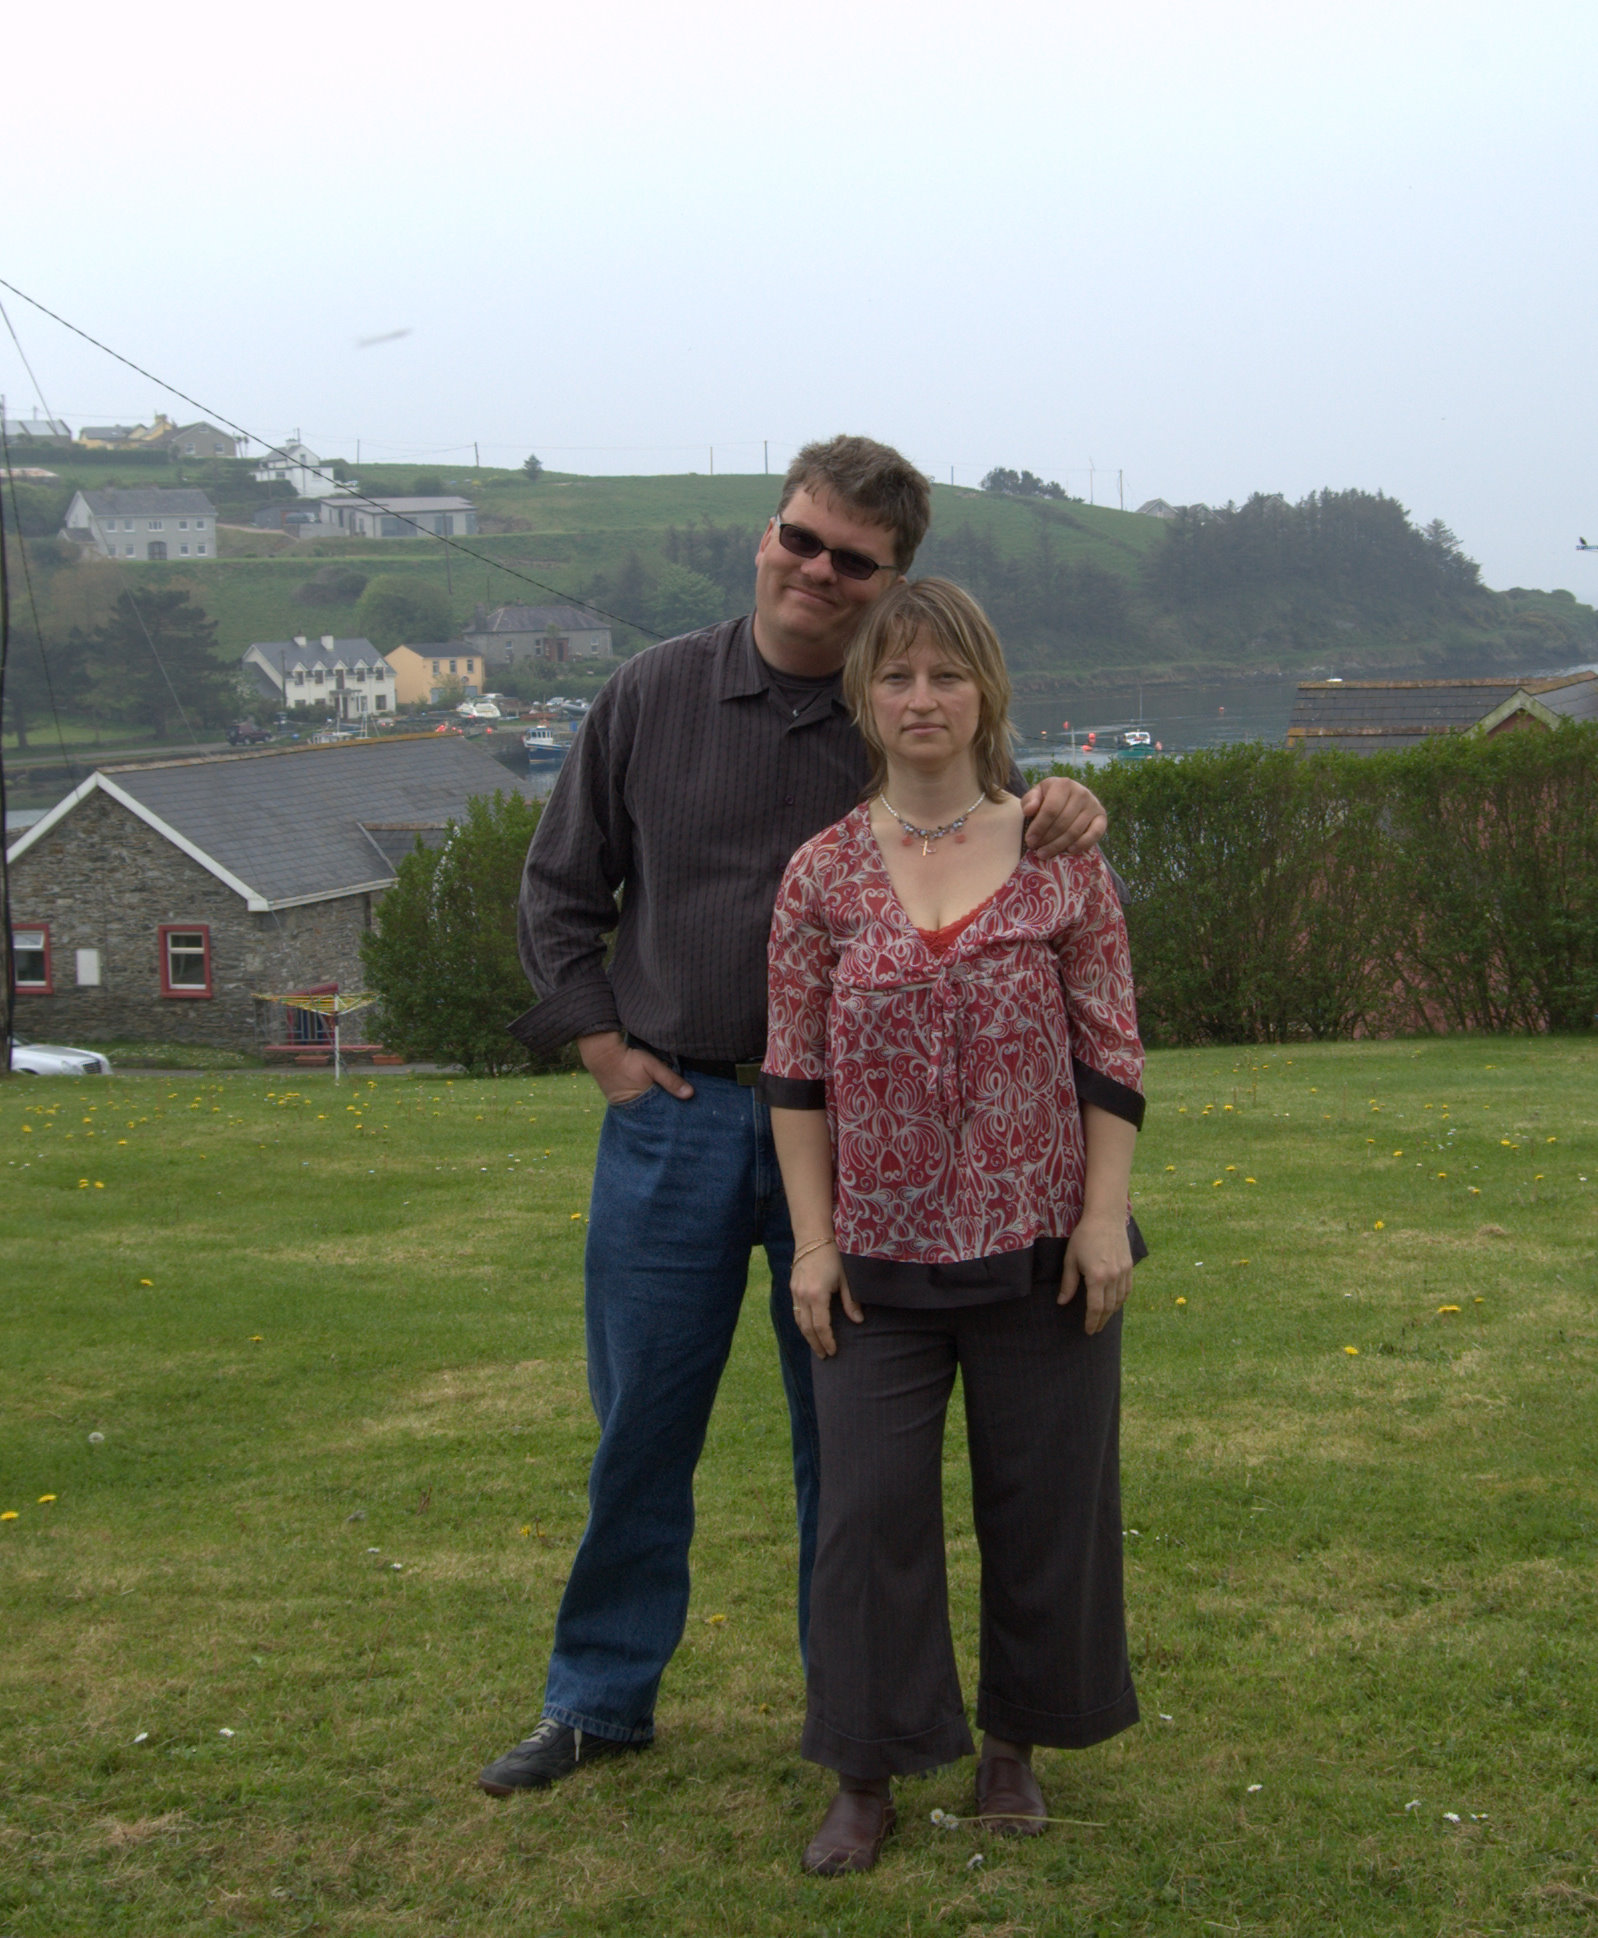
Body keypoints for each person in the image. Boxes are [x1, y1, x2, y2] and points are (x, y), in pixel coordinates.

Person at [477, 438, 1109, 1797]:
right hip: (681, 1112)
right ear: (768, 534)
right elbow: (559, 886)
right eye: (800, 539)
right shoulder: (649, 693)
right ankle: (597, 1697)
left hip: (865, 1150)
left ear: (894, 580)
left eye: (853, 560)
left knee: (856, 1448)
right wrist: (598, 1043)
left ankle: (858, 1722)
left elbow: (1009, 820)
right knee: (641, 1419)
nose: (817, 571)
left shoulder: (905, 704)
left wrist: (1067, 797)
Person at [760, 577, 1145, 1875]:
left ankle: (1013, 1749)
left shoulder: (1058, 857)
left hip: (1041, 1251)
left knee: (1042, 1507)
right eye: (895, 677)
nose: (920, 699)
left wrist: (1103, 1220)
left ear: (986, 690)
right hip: (871, 1260)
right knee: (865, 1515)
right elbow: (791, 1076)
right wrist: (810, 1245)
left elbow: (1112, 1053)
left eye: (945, 675)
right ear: (866, 702)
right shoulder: (817, 875)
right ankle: (863, 1771)